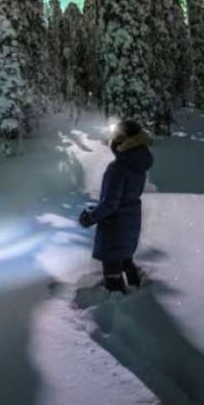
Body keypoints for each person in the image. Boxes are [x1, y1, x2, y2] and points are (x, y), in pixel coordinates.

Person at [78, 119, 153, 293]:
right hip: (131, 220)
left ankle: (117, 304)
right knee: (125, 257)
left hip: (115, 226)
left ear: (121, 142)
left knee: (112, 266)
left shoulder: (118, 168)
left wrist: (90, 217)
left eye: (114, 138)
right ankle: (137, 287)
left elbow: (110, 204)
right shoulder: (138, 164)